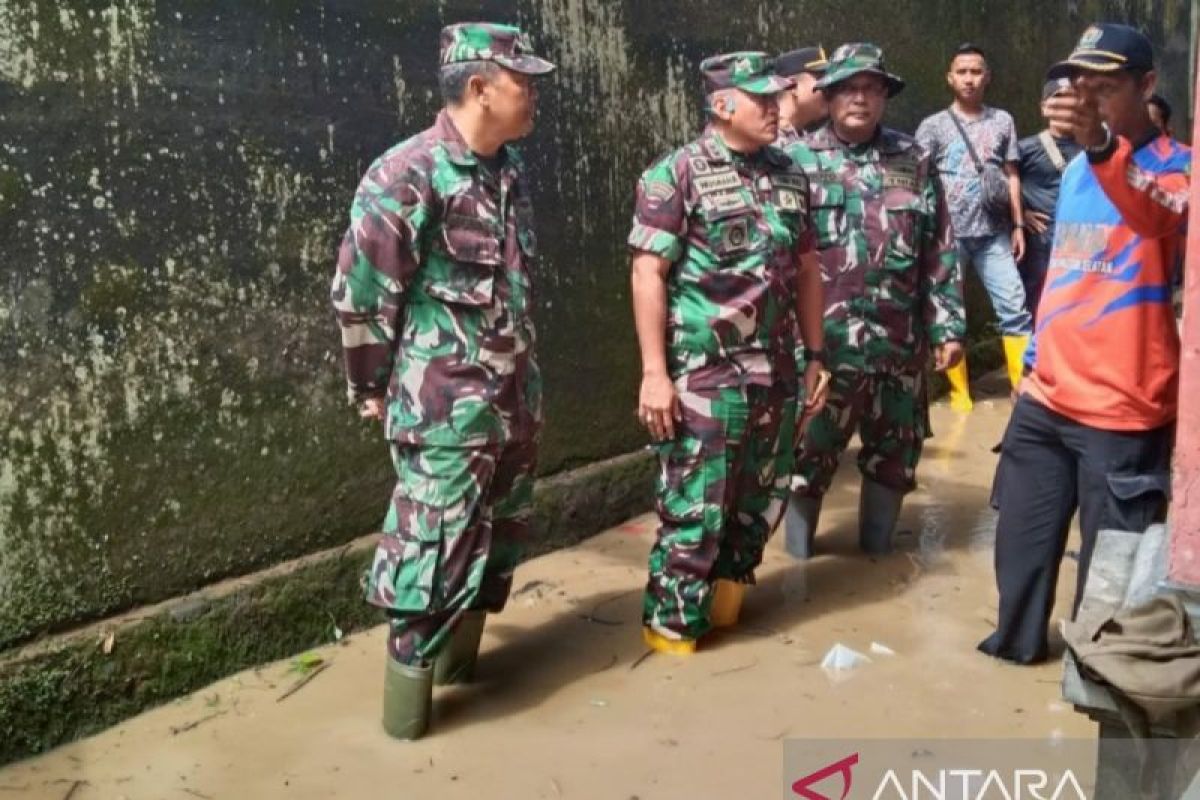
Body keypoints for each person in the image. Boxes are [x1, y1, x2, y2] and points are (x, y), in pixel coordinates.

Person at [330, 22, 555, 738]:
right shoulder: (407, 173)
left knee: (498, 547)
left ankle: (463, 677)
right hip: (444, 411)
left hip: (512, 403)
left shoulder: (506, 171)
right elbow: (362, 294)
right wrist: (369, 388)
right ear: (479, 86)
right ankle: (407, 729)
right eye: (523, 80)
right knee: (428, 561)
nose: (534, 94)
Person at [979, 23, 1191, 665]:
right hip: (1046, 399)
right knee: (1018, 558)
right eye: (1079, 82)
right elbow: (1066, 276)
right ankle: (1013, 668)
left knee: (1110, 589)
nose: (1088, 95)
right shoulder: (1073, 173)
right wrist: (1034, 364)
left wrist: (1102, 145)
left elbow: (1156, 216)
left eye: (1106, 84)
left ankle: (1093, 689)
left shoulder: (1181, 170)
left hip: (1123, 411)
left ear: (1146, 85)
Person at [628, 51, 828, 654]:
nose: (776, 108)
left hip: (777, 373)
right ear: (722, 105)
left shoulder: (791, 173)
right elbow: (647, 274)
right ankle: (671, 644)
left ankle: (722, 624)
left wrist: (817, 354)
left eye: (778, 97)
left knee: (756, 509)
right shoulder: (675, 174)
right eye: (760, 99)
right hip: (704, 378)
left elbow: (808, 268)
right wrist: (654, 374)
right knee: (695, 514)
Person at [781, 43, 967, 560]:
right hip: (822, 350)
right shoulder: (794, 161)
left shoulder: (914, 158)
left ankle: (876, 560)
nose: (860, 98)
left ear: (884, 96)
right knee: (805, 457)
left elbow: (940, 246)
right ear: (830, 95)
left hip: (898, 344)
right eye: (849, 89)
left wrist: (948, 326)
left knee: (895, 456)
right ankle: (798, 561)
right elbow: (777, 257)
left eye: (871, 89)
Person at [916, 44, 1032, 409]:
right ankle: (959, 394)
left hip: (994, 233)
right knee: (952, 315)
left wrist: (1017, 224)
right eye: (962, 71)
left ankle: (1024, 391)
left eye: (976, 71)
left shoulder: (1003, 121)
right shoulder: (932, 126)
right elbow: (918, 179)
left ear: (987, 77)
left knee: (1014, 307)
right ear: (950, 78)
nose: (969, 78)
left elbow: (1012, 173)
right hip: (948, 237)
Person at [1016, 78, 1083, 321]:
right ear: (1044, 107)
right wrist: (1021, 215)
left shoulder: (1094, 149)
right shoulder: (1025, 149)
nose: (1065, 103)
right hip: (1041, 248)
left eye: (1071, 97)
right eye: (1058, 97)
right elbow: (1000, 184)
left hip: (1082, 246)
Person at [774, 45, 830, 145]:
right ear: (793, 87)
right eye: (820, 79)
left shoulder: (799, 135)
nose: (828, 86)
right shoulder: (768, 139)